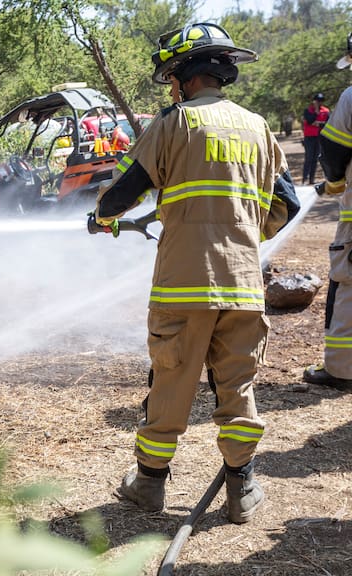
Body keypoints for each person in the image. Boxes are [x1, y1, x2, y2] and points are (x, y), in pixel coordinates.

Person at [92, 23, 300, 523]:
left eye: (173, 79)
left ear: (187, 74)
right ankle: (242, 489)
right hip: (245, 286)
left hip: (182, 287)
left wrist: (101, 216)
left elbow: (125, 192)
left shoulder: (174, 122)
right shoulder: (258, 126)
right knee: (238, 387)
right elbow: (287, 203)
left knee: (170, 383)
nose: (171, 88)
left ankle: (148, 485)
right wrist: (246, 233)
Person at [302, 32, 352, 389]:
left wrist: (334, 181)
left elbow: (333, 150)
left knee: (347, 285)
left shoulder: (351, 96)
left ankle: (341, 369)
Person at [302, 93, 330, 184]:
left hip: (319, 137)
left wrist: (318, 123)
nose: (319, 103)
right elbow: (310, 121)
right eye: (318, 101)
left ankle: (311, 179)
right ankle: (304, 178)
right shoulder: (308, 111)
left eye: (321, 101)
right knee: (308, 157)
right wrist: (316, 112)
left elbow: (327, 124)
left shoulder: (326, 111)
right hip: (309, 138)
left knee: (315, 158)